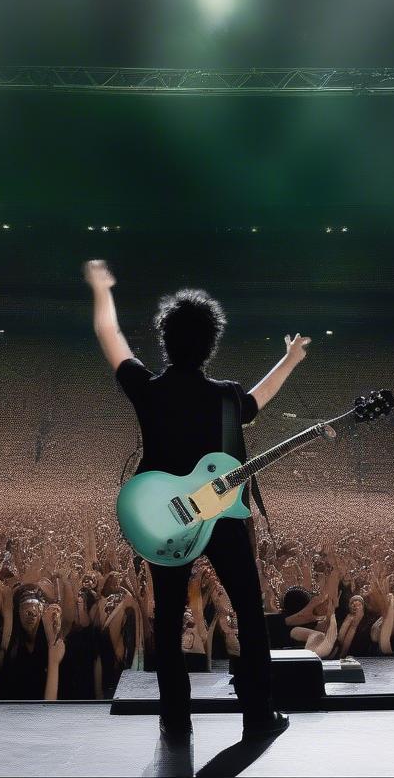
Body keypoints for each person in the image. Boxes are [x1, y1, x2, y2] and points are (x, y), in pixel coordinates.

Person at [85, 259, 308, 739]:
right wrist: (289, 359)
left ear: (165, 339)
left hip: (166, 519)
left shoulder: (147, 388)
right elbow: (257, 400)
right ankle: (258, 713)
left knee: (168, 618)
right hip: (224, 518)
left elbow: (109, 332)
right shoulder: (227, 397)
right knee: (249, 611)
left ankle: (175, 717)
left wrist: (102, 287)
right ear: (212, 344)